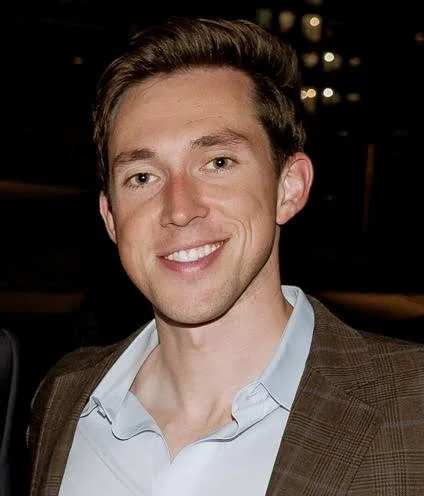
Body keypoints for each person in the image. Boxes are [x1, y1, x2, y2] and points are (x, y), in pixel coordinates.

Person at [27, 16, 423, 496]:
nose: (179, 209)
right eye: (142, 177)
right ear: (111, 217)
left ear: (288, 187)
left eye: (217, 163)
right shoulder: (64, 398)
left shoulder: (413, 408)